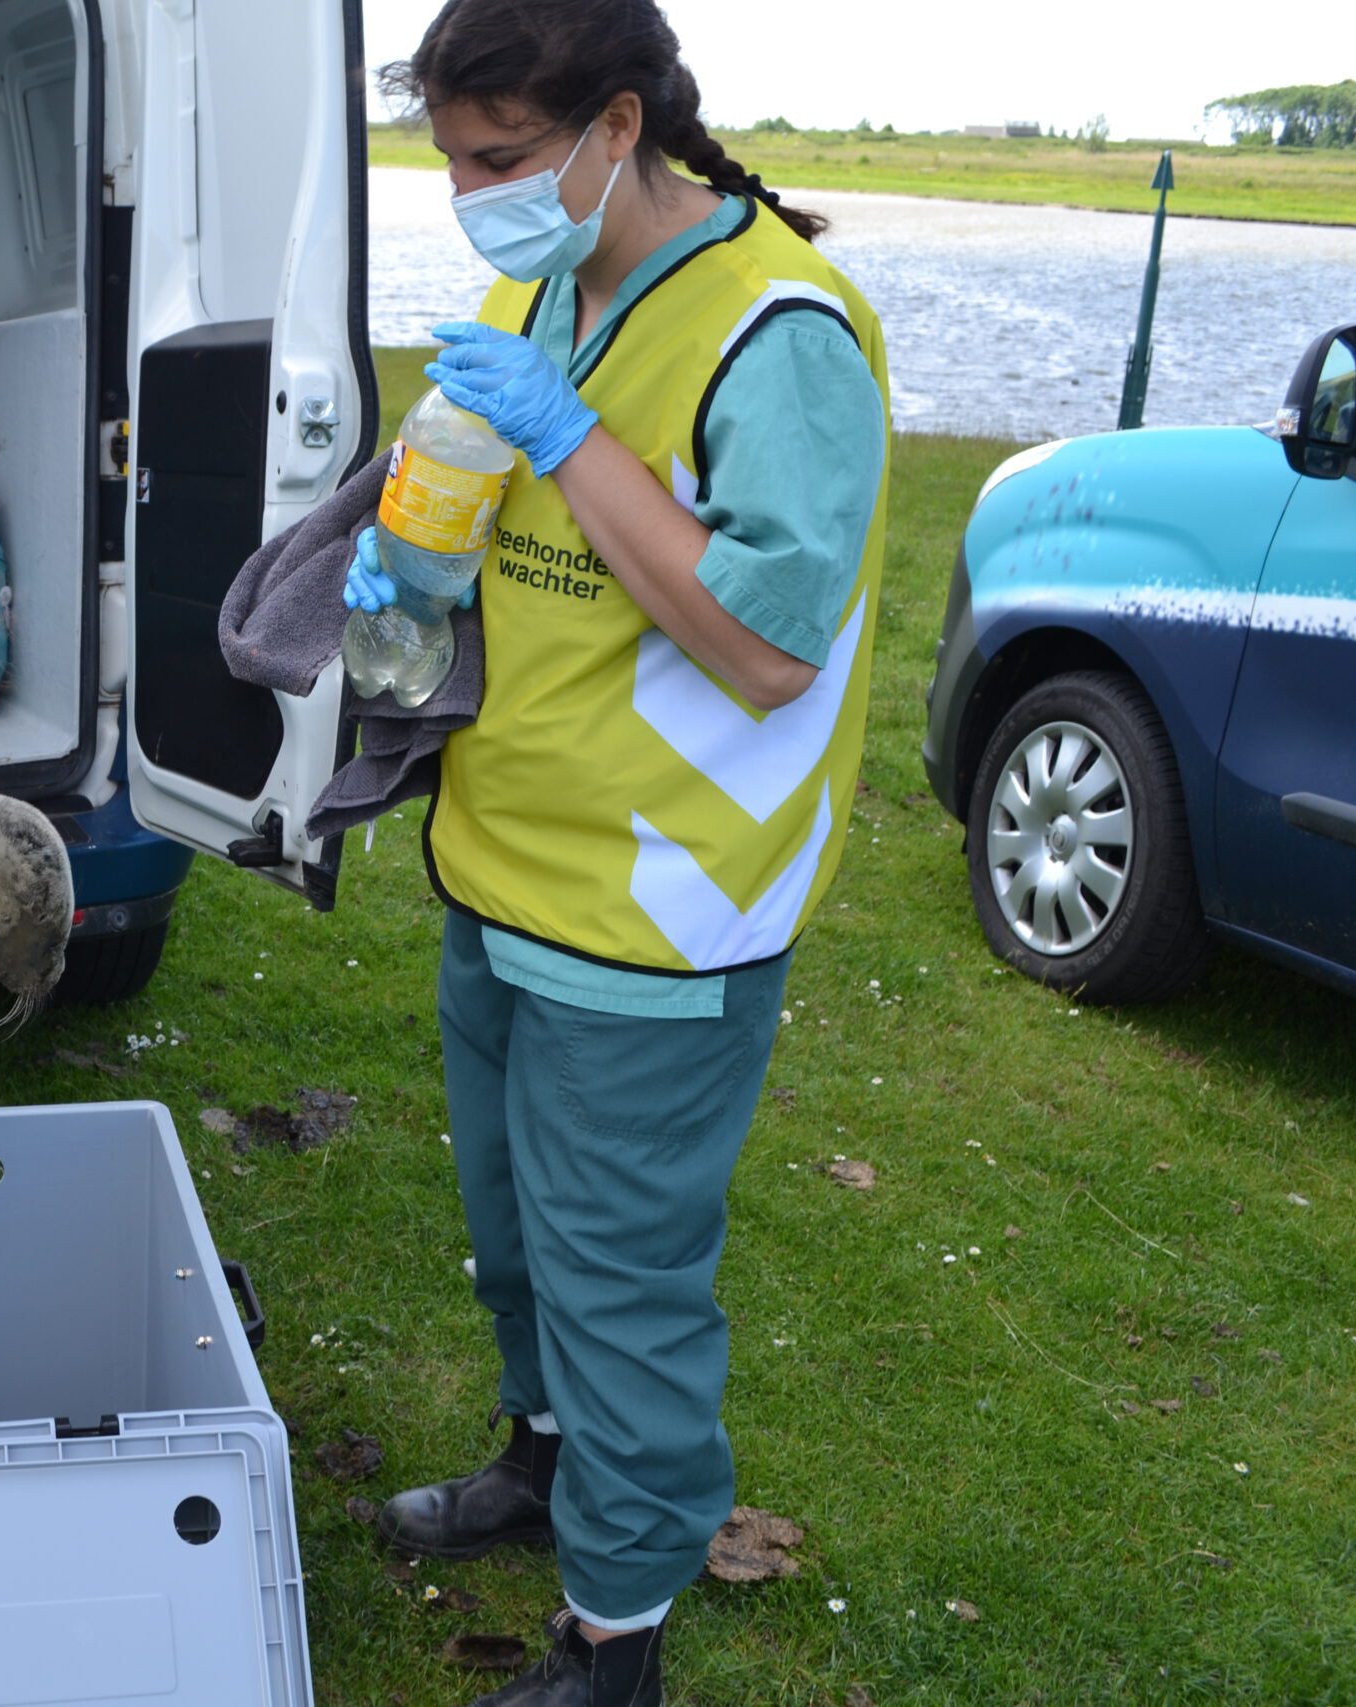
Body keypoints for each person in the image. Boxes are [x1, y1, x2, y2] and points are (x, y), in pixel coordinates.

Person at [350, 4, 891, 1702]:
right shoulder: (544, 287)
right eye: (451, 160)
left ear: (619, 125)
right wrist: (413, 558)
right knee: (522, 1240)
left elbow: (764, 645)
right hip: (507, 862)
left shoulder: (779, 331)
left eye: (500, 159)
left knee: (623, 1281)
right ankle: (545, 1457)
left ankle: (618, 1631)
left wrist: (572, 443)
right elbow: (515, 522)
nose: (472, 195)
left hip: (657, 911)